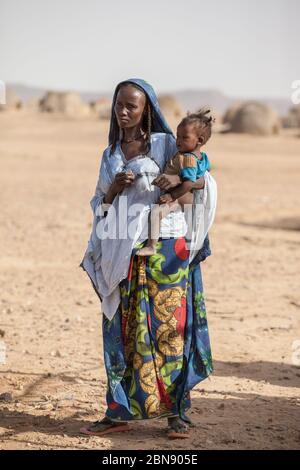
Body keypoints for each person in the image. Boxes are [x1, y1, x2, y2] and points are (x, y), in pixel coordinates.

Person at [79, 78, 217, 439]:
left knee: (169, 332)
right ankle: (117, 411)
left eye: (132, 106)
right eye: (119, 104)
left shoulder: (165, 144)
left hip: (166, 250)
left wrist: (179, 186)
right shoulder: (109, 155)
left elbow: (200, 177)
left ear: (147, 110)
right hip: (122, 253)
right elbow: (99, 205)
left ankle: (177, 414)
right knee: (122, 332)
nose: (123, 112)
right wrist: (113, 189)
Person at [137, 109, 213, 256]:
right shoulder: (201, 157)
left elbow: (189, 183)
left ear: (200, 140)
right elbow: (205, 172)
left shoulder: (188, 159)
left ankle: (151, 246)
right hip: (185, 196)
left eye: (184, 138)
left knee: (156, 213)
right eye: (178, 136)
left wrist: (172, 196)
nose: (178, 141)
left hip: (181, 196)